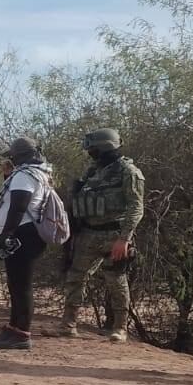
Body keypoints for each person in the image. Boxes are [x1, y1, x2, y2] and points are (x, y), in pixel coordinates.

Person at [57, 128, 144, 342]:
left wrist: (124, 239)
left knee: (116, 279)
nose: (91, 153)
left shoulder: (128, 172)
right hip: (88, 233)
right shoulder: (92, 171)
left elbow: (136, 207)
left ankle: (120, 328)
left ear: (105, 147)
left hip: (114, 234)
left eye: (94, 149)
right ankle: (68, 325)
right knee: (75, 277)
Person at [0, 138, 52, 351]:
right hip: (26, 233)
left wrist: (4, 235)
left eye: (13, 155)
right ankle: (13, 329)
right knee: (16, 284)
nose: (11, 159)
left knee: (21, 285)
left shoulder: (25, 175)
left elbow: (18, 207)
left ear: (20, 156)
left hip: (22, 234)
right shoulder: (37, 173)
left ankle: (22, 334)